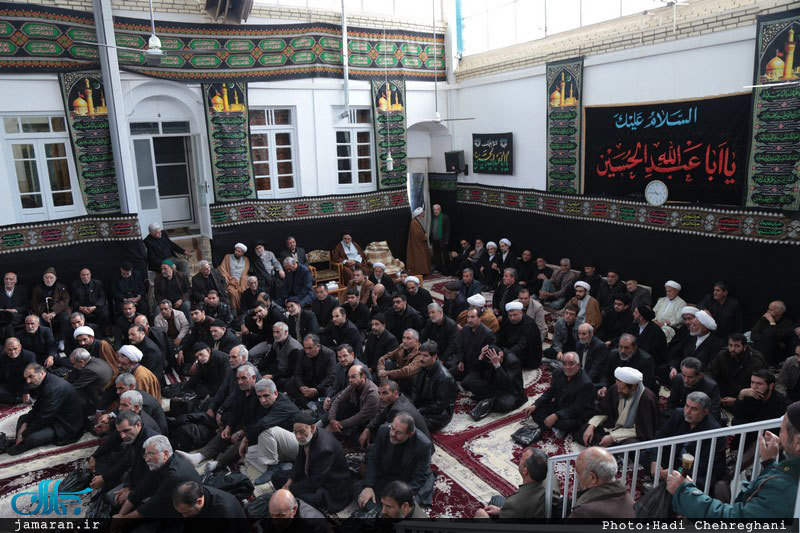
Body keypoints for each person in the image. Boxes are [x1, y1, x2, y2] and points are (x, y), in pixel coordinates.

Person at [667, 401, 800, 518]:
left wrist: (684, 492)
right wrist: (770, 464)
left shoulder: (784, 491)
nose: (779, 437)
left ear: (798, 442)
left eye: (781, 431)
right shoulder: (788, 479)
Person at [178, 363, 262, 472]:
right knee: (224, 433)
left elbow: (261, 421)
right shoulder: (240, 389)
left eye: (243, 378)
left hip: (257, 429)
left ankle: (218, 463)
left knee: (243, 442)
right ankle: (199, 456)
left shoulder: (261, 393)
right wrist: (229, 427)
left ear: (253, 378)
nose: (240, 382)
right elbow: (235, 411)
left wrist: (242, 432)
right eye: (238, 379)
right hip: (243, 424)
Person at [644, 392, 726, 489]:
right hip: (674, 458)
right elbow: (660, 438)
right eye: (687, 406)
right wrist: (655, 461)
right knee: (645, 455)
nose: (687, 412)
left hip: (695, 470)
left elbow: (703, 466)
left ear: (705, 412)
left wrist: (676, 473)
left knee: (697, 482)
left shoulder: (714, 432)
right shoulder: (678, 414)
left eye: (694, 409)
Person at [276, 411, 352, 513]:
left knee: (305, 498)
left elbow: (315, 481)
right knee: (277, 476)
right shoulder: (306, 437)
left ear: (312, 428)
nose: (298, 436)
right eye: (295, 432)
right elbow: (299, 460)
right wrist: (289, 481)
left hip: (329, 484)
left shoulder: (325, 449)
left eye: (301, 431)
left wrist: (290, 490)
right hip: (310, 473)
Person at [355, 412, 435, 508]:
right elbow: (373, 458)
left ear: (410, 434)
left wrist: (400, 496)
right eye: (392, 428)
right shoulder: (384, 430)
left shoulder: (423, 444)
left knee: (403, 506)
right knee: (359, 489)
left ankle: (382, 511)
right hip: (386, 474)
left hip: (406, 481)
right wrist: (369, 486)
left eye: (399, 433)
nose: (392, 434)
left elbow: (420, 476)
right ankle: (381, 511)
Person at [115, 435, 201, 519]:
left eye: (151, 454)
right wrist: (120, 515)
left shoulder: (174, 475)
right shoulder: (160, 464)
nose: (147, 459)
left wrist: (122, 519)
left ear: (165, 454)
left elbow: (153, 504)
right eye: (145, 455)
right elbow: (140, 490)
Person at [7, 363, 83, 455]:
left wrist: (24, 433)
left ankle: (22, 443)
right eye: (26, 378)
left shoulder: (54, 388)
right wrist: (25, 424)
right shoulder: (45, 382)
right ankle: (19, 441)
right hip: (53, 416)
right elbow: (38, 406)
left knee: (32, 438)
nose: (28, 381)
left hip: (65, 425)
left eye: (31, 376)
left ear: (42, 373)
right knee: (23, 419)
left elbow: (45, 417)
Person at [578, 366, 659, 447]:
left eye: (622, 389)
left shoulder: (646, 398)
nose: (618, 391)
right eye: (618, 387)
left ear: (633, 387)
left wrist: (613, 437)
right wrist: (591, 426)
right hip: (613, 427)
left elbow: (643, 430)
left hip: (630, 434)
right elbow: (603, 411)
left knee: (629, 446)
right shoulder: (615, 388)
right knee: (585, 429)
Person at [524, 351, 594, 439]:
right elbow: (550, 393)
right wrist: (535, 404)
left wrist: (557, 415)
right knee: (535, 411)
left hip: (573, 413)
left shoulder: (586, 384)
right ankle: (555, 427)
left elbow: (577, 408)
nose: (567, 367)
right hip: (559, 405)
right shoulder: (558, 372)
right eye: (564, 364)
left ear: (578, 365)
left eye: (571, 364)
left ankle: (555, 427)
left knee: (567, 424)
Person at [242, 378, 300, 484]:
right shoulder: (270, 403)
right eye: (259, 397)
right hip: (286, 445)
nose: (262, 400)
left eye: (266, 396)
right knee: (250, 453)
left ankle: (272, 468)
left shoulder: (283, 404)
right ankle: (283, 466)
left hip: (301, 445)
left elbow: (263, 424)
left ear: (275, 393)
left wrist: (246, 439)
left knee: (266, 430)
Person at [89, 411, 159, 496]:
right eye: (120, 432)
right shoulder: (134, 434)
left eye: (126, 431)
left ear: (138, 425)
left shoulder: (149, 443)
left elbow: (151, 476)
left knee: (111, 496)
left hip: (152, 487)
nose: (122, 436)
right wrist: (105, 477)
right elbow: (127, 460)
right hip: (139, 477)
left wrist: (130, 493)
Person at [474, 448, 558, 519]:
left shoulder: (514, 503)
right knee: (497, 500)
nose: (519, 460)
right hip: (539, 513)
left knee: (491, 504)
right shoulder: (552, 478)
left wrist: (483, 518)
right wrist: (500, 511)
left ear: (525, 470)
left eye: (522, 458)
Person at [568, 447, 635, 518]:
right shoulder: (630, 501)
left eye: (578, 472)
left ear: (592, 478)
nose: (576, 476)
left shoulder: (584, 512)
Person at [706, 332, 767, 408]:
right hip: (721, 396)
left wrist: (736, 400)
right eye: (730, 345)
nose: (732, 349)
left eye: (737, 346)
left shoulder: (755, 362)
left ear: (745, 347)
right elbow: (710, 374)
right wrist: (714, 394)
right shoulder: (723, 355)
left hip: (744, 400)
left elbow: (759, 389)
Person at [361, 379, 429, 447]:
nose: (380, 397)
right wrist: (367, 428)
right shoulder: (400, 398)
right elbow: (380, 417)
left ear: (395, 393)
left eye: (385, 393)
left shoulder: (396, 410)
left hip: (419, 448)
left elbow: (391, 435)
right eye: (379, 393)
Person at [462, 344, 526, 414]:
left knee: (505, 404)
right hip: (493, 384)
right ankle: (489, 400)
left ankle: (488, 402)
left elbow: (506, 384)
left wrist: (497, 365)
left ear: (501, 355)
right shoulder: (489, 356)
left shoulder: (513, 361)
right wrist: (480, 358)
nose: (491, 364)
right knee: (467, 382)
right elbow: (475, 372)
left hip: (510, 391)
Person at [326, 364, 380, 445]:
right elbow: (337, 400)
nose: (350, 380)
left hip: (370, 423)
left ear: (363, 377)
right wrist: (332, 419)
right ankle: (342, 431)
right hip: (357, 417)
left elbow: (360, 417)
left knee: (363, 440)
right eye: (349, 377)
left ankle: (346, 433)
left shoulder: (373, 394)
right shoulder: (353, 385)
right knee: (341, 405)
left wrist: (339, 424)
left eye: (353, 377)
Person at [411, 340, 456, 432]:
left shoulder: (445, 378)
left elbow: (440, 405)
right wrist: (413, 406)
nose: (421, 358)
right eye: (420, 355)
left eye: (425, 356)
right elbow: (416, 391)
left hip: (439, 415)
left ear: (434, 357)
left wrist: (419, 410)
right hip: (424, 406)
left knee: (410, 426)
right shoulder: (423, 368)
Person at [668, 356, 722, 422]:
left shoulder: (711, 387)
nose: (686, 380)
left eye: (690, 377)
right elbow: (672, 403)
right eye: (683, 375)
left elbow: (714, 414)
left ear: (700, 376)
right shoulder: (678, 379)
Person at [288, 334, 336, 407]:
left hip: (321, 384)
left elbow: (330, 376)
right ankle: (310, 405)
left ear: (318, 346)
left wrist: (317, 389)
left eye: (310, 348)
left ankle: (313, 405)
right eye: (305, 348)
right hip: (308, 383)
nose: (307, 351)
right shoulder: (301, 353)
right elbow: (297, 373)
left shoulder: (329, 354)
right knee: (290, 384)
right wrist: (301, 386)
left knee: (329, 390)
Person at [451, 307, 496, 381]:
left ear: (479, 318)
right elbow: (460, 346)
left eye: (473, 317)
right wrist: (460, 361)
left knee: (466, 383)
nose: (469, 320)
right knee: (447, 375)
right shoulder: (466, 328)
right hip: (464, 364)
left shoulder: (488, 334)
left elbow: (488, 358)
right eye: (468, 317)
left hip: (477, 368)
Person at [66, 347, 113, 415]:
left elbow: (76, 386)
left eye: (74, 364)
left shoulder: (90, 370)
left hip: (99, 399)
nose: (73, 366)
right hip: (104, 391)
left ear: (81, 362)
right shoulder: (97, 360)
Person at [172, 480, 246, 522]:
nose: (184, 516)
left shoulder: (224, 511)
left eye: (187, 512)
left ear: (199, 502)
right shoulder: (197, 493)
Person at [497, 300, 542, 369]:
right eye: (510, 315)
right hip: (512, 348)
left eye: (515, 315)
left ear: (521, 313)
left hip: (527, 353)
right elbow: (501, 335)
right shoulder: (508, 320)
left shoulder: (529, 324)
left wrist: (506, 354)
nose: (512, 318)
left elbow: (522, 345)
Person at [30, 267, 71, 343]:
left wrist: (54, 312)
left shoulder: (62, 287)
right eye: (46, 278)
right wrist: (43, 313)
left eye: (51, 278)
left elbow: (65, 300)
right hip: (42, 312)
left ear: (55, 279)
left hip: (59, 311)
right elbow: (34, 303)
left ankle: (63, 340)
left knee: (65, 318)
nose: (48, 280)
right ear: (43, 278)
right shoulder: (37, 289)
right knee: (37, 321)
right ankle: (44, 341)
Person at [377, 328, 423, 393]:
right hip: (399, 376)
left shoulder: (421, 353)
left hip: (411, 383)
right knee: (388, 362)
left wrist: (387, 373)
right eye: (404, 338)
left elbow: (407, 371)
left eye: (408, 338)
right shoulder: (402, 347)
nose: (405, 341)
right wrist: (381, 370)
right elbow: (383, 358)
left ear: (416, 341)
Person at [264, 489, 330, 533]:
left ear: (294, 509)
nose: (274, 521)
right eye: (272, 515)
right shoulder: (276, 510)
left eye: (280, 515)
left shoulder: (312, 522)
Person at [625, 304, 667, 372]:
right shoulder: (634, 326)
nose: (633, 314)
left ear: (641, 317)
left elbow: (655, 352)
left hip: (647, 362)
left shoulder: (656, 331)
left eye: (636, 313)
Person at [752, 300, 795, 366]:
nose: (768, 311)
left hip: (776, 352)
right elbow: (753, 334)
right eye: (768, 309)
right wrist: (765, 339)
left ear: (779, 312)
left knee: (769, 334)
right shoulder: (764, 319)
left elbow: (777, 336)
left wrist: (772, 322)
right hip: (760, 346)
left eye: (771, 310)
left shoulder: (787, 323)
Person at [420, 302, 458, 367]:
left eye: (433, 312)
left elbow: (452, 345)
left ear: (440, 312)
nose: (431, 315)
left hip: (446, 354)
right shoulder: (429, 322)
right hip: (433, 352)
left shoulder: (451, 325)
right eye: (429, 313)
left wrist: (442, 360)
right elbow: (423, 337)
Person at [0, 337, 35, 404]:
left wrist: (26, 391)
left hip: (26, 384)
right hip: (10, 384)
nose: (13, 352)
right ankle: (20, 400)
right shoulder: (1, 358)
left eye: (15, 349)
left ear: (20, 347)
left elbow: (31, 375)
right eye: (9, 349)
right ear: (5, 349)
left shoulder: (29, 356)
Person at [218, 243, 251, 314]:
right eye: (236, 250)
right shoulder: (227, 257)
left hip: (242, 281)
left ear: (242, 253)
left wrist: (242, 282)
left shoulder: (246, 259)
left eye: (239, 251)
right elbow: (222, 269)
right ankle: (235, 310)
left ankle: (244, 311)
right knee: (233, 293)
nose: (237, 252)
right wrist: (228, 279)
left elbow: (246, 272)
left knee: (245, 291)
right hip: (231, 281)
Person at [575, 323, 609, 387]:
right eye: (579, 333)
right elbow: (577, 363)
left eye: (584, 334)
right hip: (582, 375)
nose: (580, 337)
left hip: (594, 379)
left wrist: (583, 381)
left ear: (591, 334)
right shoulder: (579, 344)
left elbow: (596, 369)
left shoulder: (600, 346)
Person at [407, 207, 431, 275]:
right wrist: (424, 236)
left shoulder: (416, 221)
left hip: (420, 244)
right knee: (420, 258)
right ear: (419, 214)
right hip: (418, 245)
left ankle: (424, 271)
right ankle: (421, 272)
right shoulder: (414, 223)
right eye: (422, 213)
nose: (423, 214)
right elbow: (417, 234)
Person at [428, 204, 450, 272]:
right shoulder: (432, 216)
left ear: (440, 210)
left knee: (445, 254)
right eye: (434, 210)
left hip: (442, 240)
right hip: (434, 240)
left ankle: (447, 268)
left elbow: (448, 230)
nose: (436, 211)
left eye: (437, 210)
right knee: (436, 255)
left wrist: (446, 240)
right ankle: (439, 268)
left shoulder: (445, 217)